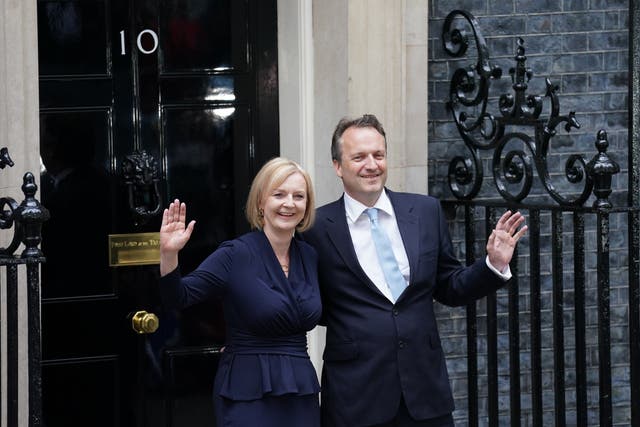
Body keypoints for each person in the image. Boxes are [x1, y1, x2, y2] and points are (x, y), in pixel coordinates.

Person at [303, 114, 527, 427]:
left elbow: (449, 286)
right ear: (338, 166)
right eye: (359, 157)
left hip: (425, 392)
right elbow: (311, 304)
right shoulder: (314, 228)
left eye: (378, 155)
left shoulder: (425, 211)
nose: (372, 164)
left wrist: (494, 265)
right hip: (355, 396)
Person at [158, 157, 322, 427]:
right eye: (278, 194)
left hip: (300, 390)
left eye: (298, 196)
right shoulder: (235, 254)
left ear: (307, 206)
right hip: (248, 389)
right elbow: (177, 297)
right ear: (261, 202)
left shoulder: (310, 256)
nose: (289, 203)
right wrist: (169, 254)